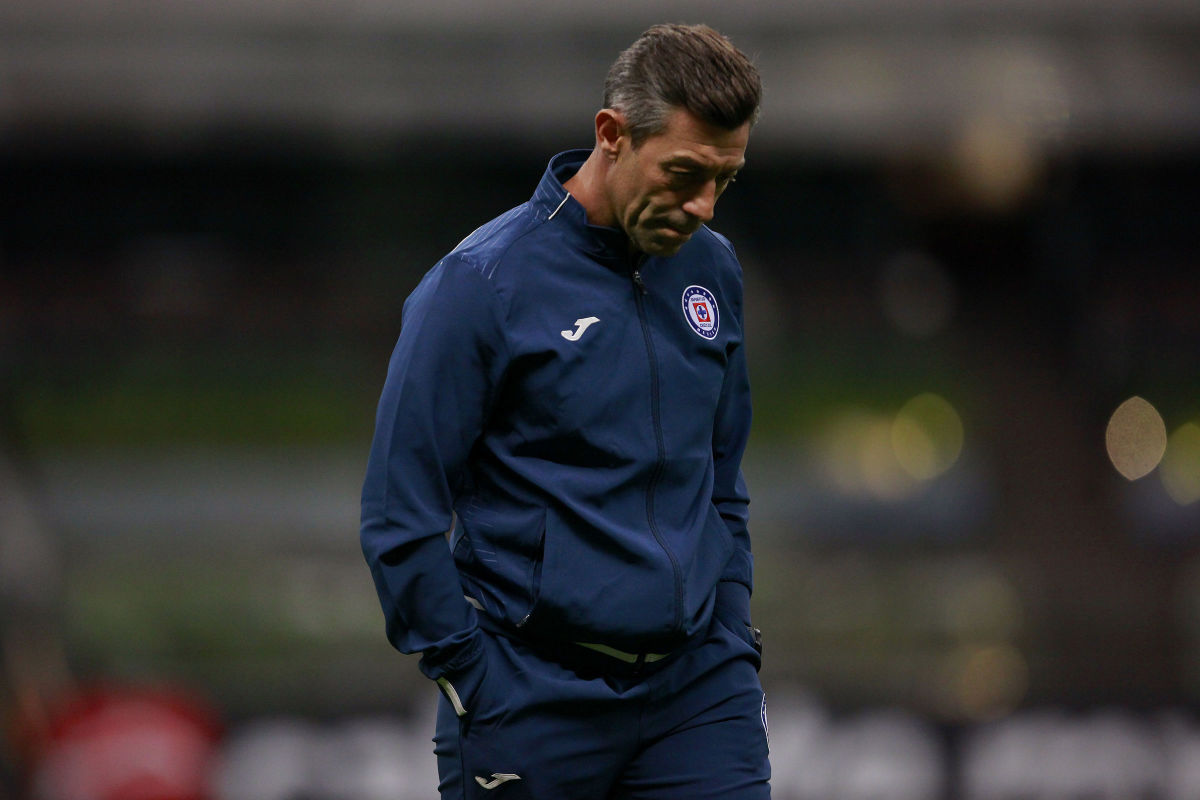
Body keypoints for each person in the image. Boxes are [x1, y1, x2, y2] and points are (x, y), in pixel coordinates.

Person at [361, 23, 768, 799]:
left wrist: (730, 633)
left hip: (698, 694)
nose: (704, 206)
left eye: (725, 178)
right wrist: (471, 673)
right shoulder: (480, 285)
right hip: (528, 696)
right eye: (684, 173)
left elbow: (721, 479)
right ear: (612, 134)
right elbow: (398, 513)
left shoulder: (712, 271)